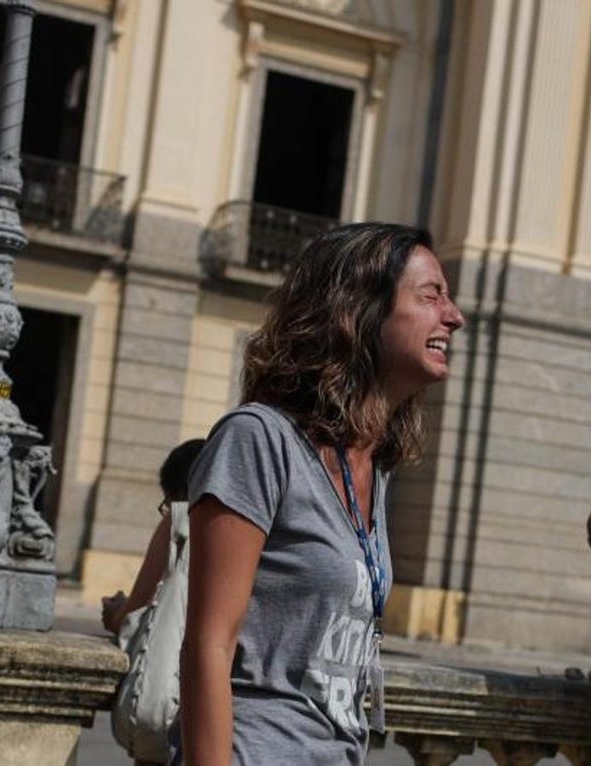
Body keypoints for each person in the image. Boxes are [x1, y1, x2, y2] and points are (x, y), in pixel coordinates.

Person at [177, 223, 465, 765]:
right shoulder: (258, 439)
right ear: (359, 310)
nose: (453, 316)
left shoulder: (373, 468)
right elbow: (207, 646)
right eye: (431, 296)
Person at [101, 438, 206, 637]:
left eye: (167, 503)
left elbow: (127, 620)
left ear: (179, 493)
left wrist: (114, 611)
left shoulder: (180, 519)